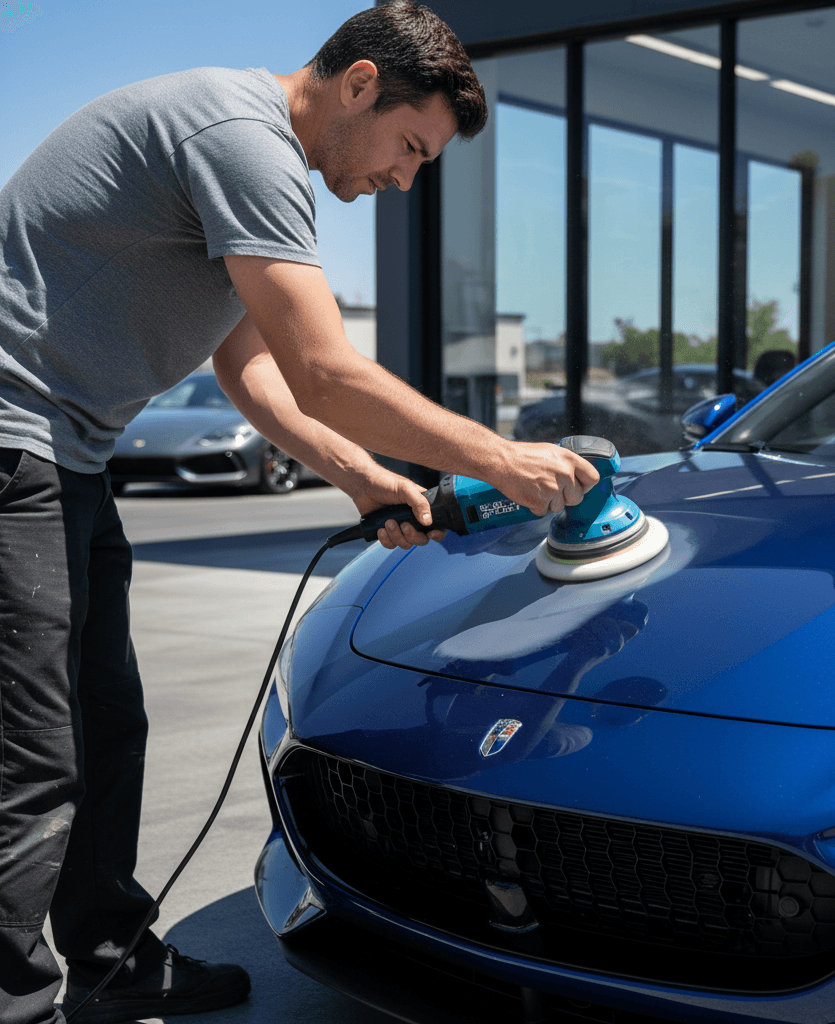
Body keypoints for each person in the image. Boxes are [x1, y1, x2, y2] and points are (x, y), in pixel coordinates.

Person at [0, 3, 599, 1022]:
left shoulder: (250, 160)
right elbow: (325, 368)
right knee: (34, 754)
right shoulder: (242, 137)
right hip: (14, 442)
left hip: (68, 457)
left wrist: (361, 476)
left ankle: (107, 960)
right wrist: (498, 456)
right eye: (410, 149)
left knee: (109, 727)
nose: (404, 180)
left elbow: (253, 369)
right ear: (361, 83)